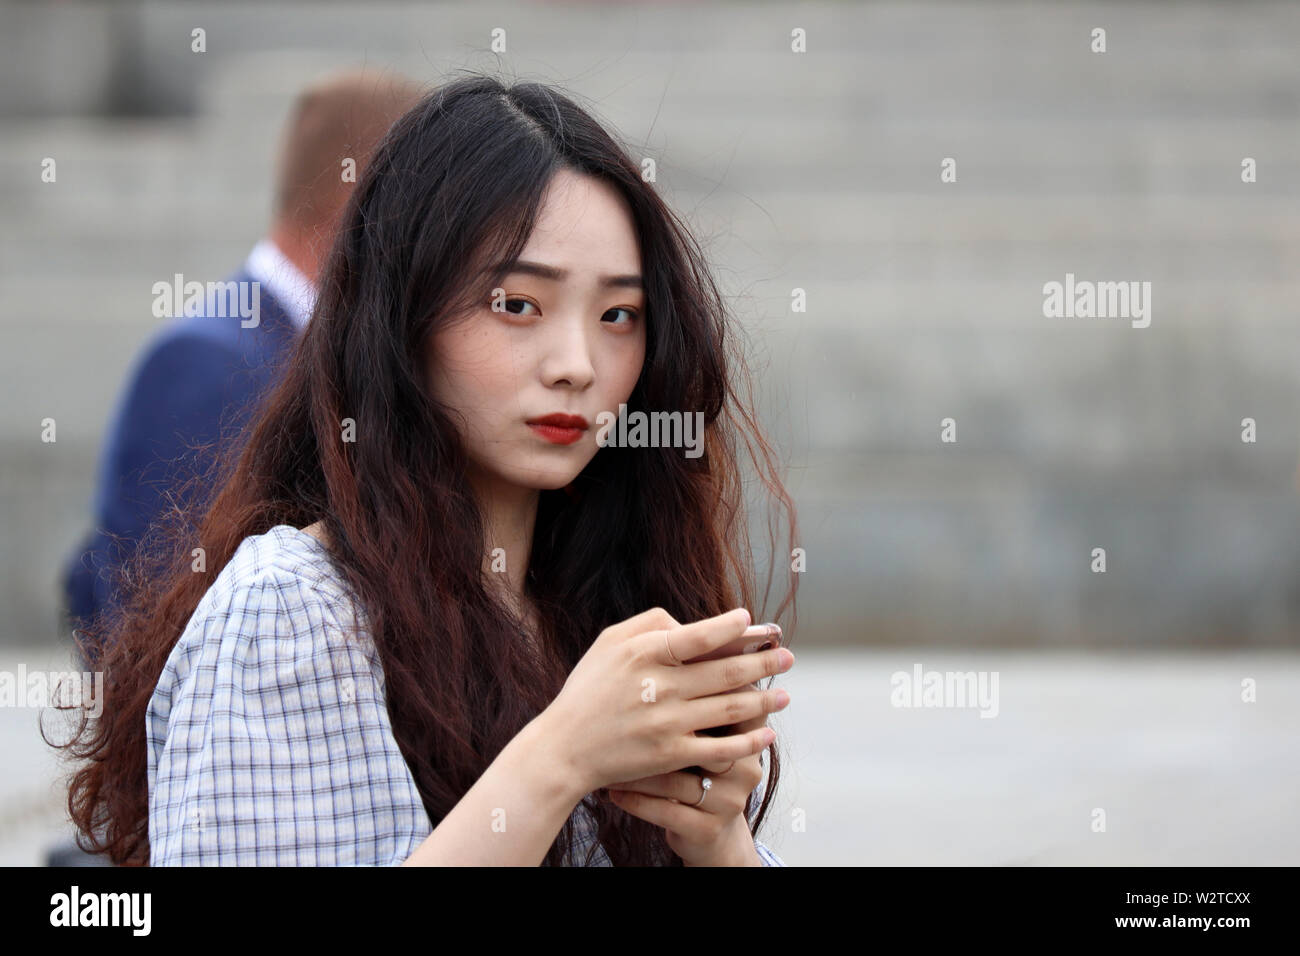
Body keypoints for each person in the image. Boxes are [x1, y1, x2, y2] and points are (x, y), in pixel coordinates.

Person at [55, 74, 800, 866]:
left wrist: (719, 841)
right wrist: (557, 758)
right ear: (402, 316)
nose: (579, 365)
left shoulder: (606, 601)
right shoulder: (293, 611)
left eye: (619, 315)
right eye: (517, 304)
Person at [61, 69, 423, 668]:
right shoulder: (207, 364)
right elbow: (152, 635)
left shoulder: (314, 349)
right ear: (364, 208)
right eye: (429, 216)